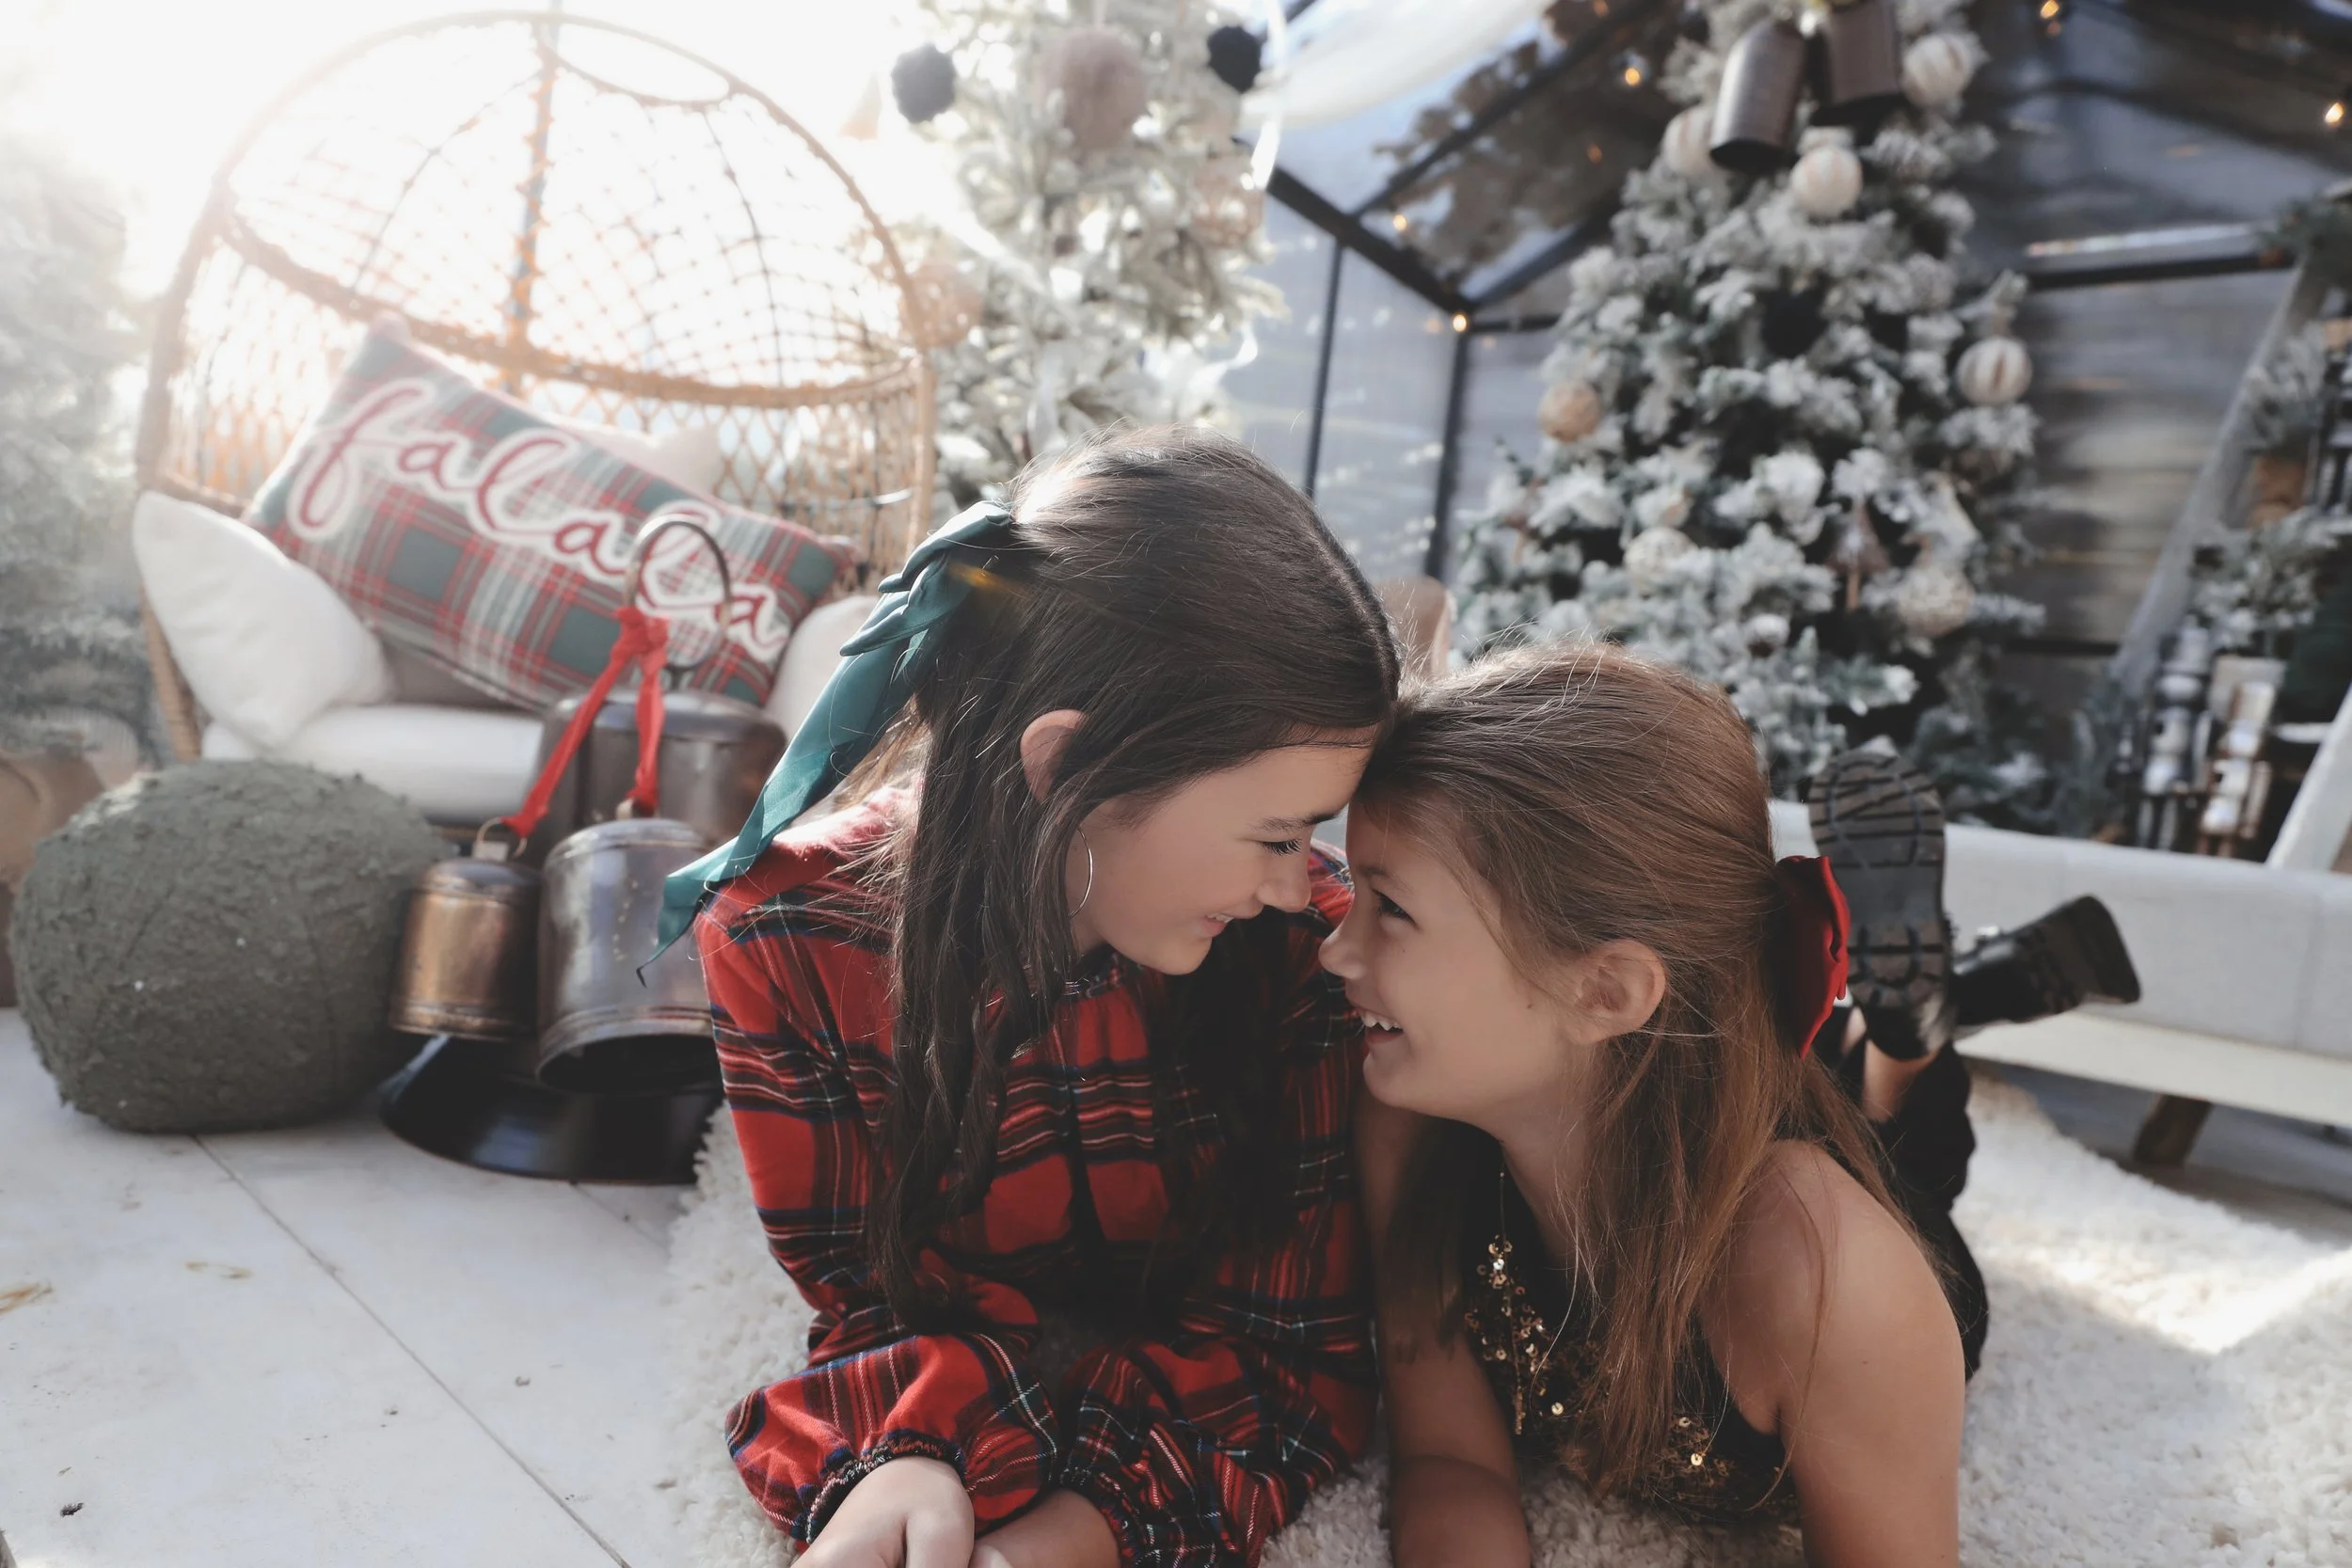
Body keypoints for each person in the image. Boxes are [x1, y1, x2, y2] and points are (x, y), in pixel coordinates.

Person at [677, 426, 1402, 1568]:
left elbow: (1285, 1354)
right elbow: (873, 1296)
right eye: (1275, 831)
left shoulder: (1302, 951)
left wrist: (1050, 1547)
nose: (1295, 877)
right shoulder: (781, 943)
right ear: (1066, 767)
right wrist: (905, 1457)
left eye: (1311, 832)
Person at [1323, 641, 2137, 1567]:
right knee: (1777, 1066)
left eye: (1387, 906)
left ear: (1602, 991)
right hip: (1679, 1082)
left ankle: (1904, 1041)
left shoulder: (1832, 1278)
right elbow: (1447, 1458)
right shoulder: (1404, 1116)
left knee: (1899, 1154)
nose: (1332, 951)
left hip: (1849, 1225)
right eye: (1352, 887)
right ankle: (1906, 1018)